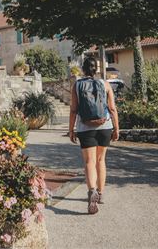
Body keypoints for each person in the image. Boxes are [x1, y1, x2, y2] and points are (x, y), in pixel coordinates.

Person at [68, 56, 120, 214]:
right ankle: (101, 194)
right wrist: (116, 128)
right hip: (105, 126)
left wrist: (71, 129)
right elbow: (112, 109)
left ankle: (92, 192)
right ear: (95, 69)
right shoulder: (105, 84)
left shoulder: (77, 85)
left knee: (89, 162)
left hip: (85, 127)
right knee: (101, 160)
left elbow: (73, 110)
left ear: (83, 69)